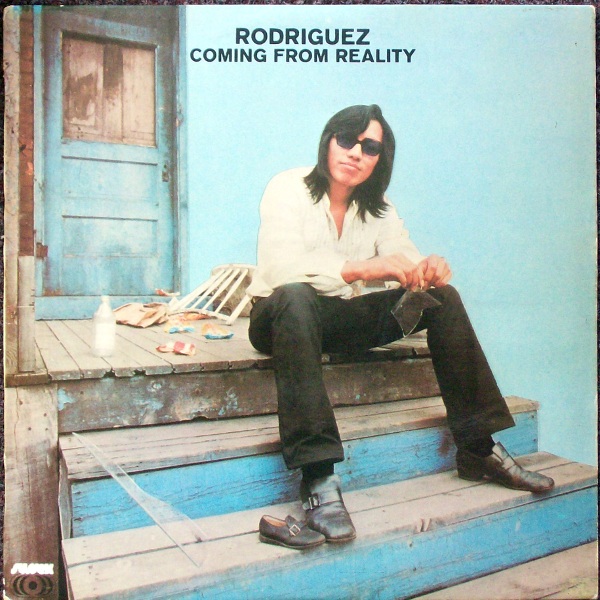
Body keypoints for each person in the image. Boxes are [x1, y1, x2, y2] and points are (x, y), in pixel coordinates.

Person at [246, 104, 554, 544]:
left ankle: (478, 449)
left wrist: (425, 268)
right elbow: (280, 268)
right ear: (328, 141)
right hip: (279, 318)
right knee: (296, 296)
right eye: (346, 140)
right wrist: (364, 269)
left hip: (339, 320)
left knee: (441, 298)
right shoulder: (288, 187)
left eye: (370, 147)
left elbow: (403, 256)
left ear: (380, 159)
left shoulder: (379, 208)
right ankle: (319, 480)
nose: (355, 153)